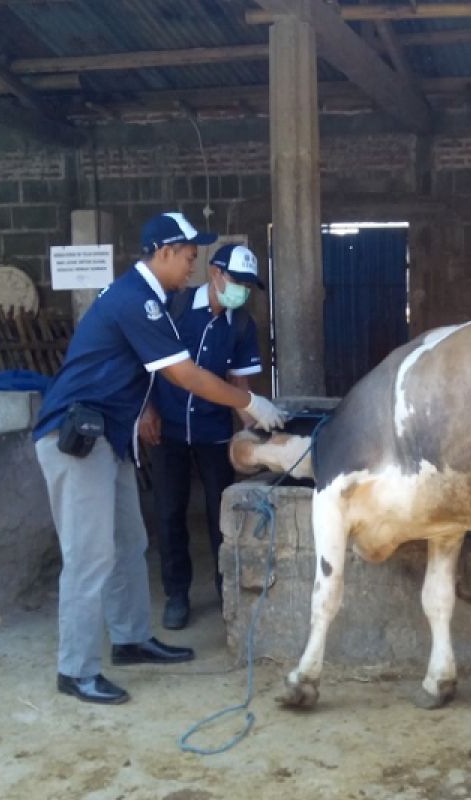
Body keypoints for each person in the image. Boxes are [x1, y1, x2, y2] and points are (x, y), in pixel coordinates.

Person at [32, 212, 287, 705]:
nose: (192, 267)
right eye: (190, 257)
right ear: (165, 251)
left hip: (110, 436)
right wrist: (250, 403)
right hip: (77, 437)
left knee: (129, 541)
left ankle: (129, 639)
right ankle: (76, 669)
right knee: (89, 557)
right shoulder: (137, 301)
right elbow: (185, 376)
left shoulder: (152, 299)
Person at [137, 244, 265, 630]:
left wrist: (254, 430)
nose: (241, 290)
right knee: (169, 511)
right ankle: (177, 594)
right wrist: (146, 409)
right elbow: (144, 365)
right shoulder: (172, 310)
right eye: (236, 280)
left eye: (247, 284)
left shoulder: (241, 325)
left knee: (219, 512)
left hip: (212, 430)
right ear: (215, 273)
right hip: (168, 425)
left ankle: (227, 589)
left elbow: (239, 384)